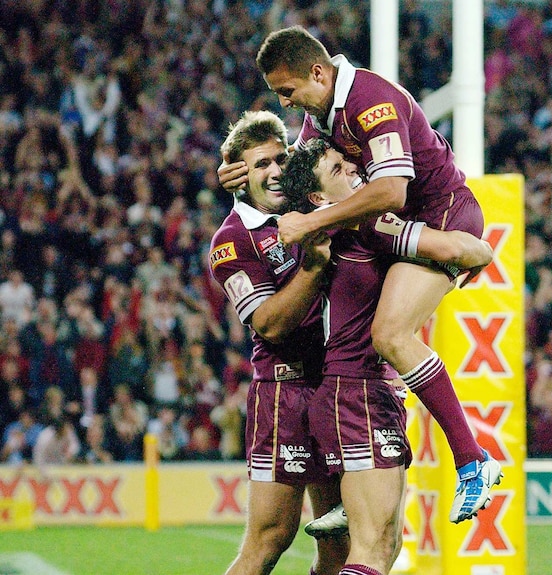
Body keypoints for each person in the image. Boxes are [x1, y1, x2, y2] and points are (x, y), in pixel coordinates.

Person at [218, 25, 501, 524]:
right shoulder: (319, 116)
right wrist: (235, 183)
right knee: (346, 333)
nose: (286, 105)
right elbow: (302, 181)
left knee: (390, 333)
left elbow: (390, 191)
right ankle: (362, 478)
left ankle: (472, 459)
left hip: (431, 217)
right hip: (383, 226)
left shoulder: (370, 100)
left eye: (288, 91)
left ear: (318, 72)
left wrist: (314, 221)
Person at [281, 138, 495, 574]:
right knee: (373, 552)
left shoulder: (327, 233)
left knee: (376, 547)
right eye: (339, 170)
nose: (355, 171)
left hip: (347, 395)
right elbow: (455, 250)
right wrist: (484, 252)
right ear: (319, 198)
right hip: (356, 395)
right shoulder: (368, 227)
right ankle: (471, 459)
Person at [209, 110, 348, 575]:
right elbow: (268, 325)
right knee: (270, 538)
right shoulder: (230, 241)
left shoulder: (308, 205)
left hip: (339, 387)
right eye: (260, 164)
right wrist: (312, 266)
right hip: (285, 394)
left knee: (339, 541)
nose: (274, 172)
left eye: (279, 160)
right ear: (238, 174)